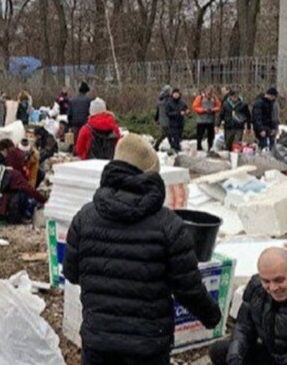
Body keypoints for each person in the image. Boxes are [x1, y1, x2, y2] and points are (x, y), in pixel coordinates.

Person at [64, 134, 222, 365]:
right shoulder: (168, 225)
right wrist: (212, 316)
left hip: (98, 340)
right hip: (148, 345)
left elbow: (72, 273)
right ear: (151, 175)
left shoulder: (84, 218)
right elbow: (187, 287)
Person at [0, 146, 48, 224]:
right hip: (9, 212)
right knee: (23, 192)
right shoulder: (16, 175)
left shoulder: (2, 168)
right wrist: (44, 200)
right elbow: (29, 189)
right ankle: (21, 215)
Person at [166, 88, 188, 152]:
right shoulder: (169, 103)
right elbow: (167, 113)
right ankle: (176, 150)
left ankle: (174, 146)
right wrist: (178, 113)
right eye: (174, 94)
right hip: (173, 123)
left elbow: (186, 109)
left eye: (177, 94)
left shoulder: (182, 102)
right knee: (176, 138)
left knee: (179, 138)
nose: (176, 95)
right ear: (172, 94)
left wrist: (186, 112)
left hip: (180, 123)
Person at [153, 85, 173, 151]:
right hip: (166, 119)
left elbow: (157, 110)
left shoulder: (161, 98)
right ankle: (156, 145)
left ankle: (172, 145)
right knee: (165, 134)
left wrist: (156, 119)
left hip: (162, 119)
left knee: (168, 133)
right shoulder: (168, 99)